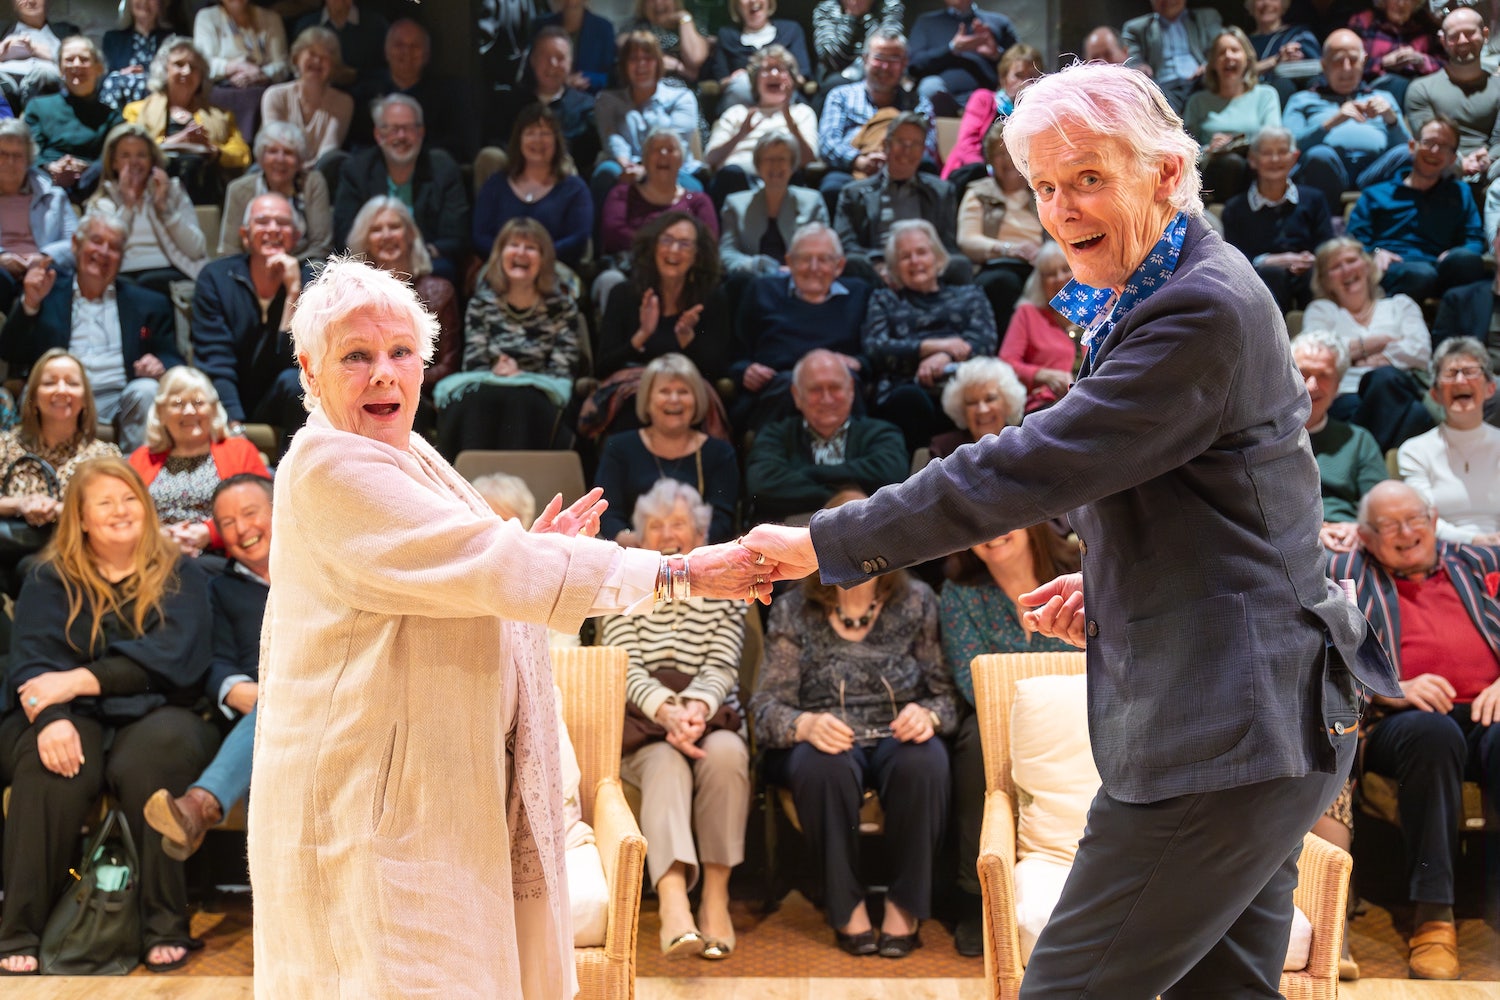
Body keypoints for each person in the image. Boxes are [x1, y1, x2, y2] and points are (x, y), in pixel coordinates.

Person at [743, 62, 1402, 997]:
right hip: (1252, 716)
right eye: (1045, 186)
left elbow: (1030, 465)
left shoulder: (1199, 306)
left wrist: (825, 541)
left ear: (1167, 172)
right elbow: (1227, 497)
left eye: (1089, 178)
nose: (1061, 209)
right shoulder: (1158, 282)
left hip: (1228, 727)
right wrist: (1110, 580)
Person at [246, 255, 765, 999]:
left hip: (420, 791)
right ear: (310, 368)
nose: (384, 374)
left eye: (399, 353)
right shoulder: (329, 464)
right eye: (355, 357)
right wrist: (679, 573)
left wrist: (536, 550)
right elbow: (489, 564)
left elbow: (470, 569)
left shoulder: (405, 452)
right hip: (364, 804)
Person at [0, 456, 216, 975]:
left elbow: (178, 657)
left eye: (128, 500)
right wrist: (51, 716)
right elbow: (31, 660)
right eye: (105, 503)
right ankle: (22, 927)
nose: (120, 511)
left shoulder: (181, 571)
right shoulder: (48, 576)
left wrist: (79, 678)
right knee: (51, 765)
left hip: (165, 706)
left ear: (144, 507)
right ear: (81, 517)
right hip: (71, 712)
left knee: (152, 761)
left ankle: (163, 924)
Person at [750, 487, 957, 957]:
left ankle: (906, 906)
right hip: (823, 740)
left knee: (924, 761)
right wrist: (804, 725)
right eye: (845, 532)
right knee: (823, 765)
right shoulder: (792, 608)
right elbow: (765, 708)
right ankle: (846, 907)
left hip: (895, 734)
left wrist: (925, 714)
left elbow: (946, 697)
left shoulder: (918, 601)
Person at [1326, 479, 1500, 981]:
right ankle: (1434, 920)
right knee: (1433, 734)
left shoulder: (1474, 562)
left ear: (1435, 520)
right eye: (1387, 526)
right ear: (1365, 535)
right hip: (1398, 722)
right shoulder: (1346, 568)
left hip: (1487, 714)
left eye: (1415, 519)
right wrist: (1389, 686)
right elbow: (1318, 640)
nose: (1406, 533)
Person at [600, 479, 749, 957]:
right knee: (664, 764)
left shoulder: (727, 590)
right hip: (643, 719)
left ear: (699, 535)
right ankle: (671, 902)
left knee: (726, 758)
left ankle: (716, 899)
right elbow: (623, 667)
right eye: (655, 526)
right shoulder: (624, 589)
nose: (666, 534)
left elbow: (723, 665)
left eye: (678, 523)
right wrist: (667, 711)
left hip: (710, 713)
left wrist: (695, 711)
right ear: (641, 539)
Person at [939, 521, 1079, 956]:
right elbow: (970, 678)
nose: (991, 534)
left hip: (1078, 708)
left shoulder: (1079, 569)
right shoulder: (960, 593)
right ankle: (974, 897)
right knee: (973, 748)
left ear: (1033, 520)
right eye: (976, 527)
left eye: (1002, 521)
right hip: (997, 718)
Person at [143, 472, 272, 861]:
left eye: (250, 513)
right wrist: (233, 688)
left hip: (336, 696)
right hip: (265, 713)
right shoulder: (217, 587)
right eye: (228, 523)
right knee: (272, 740)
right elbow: (214, 657)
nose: (242, 529)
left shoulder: (324, 570)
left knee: (278, 711)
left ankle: (200, 806)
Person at [0, 207, 177, 452]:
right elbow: (11, 352)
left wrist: (159, 365)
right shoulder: (46, 292)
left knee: (147, 390)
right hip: (62, 391)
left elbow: (172, 357)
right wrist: (29, 304)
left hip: (119, 399)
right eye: (96, 241)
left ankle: (134, 478)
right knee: (36, 386)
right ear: (76, 244)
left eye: (114, 247)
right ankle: (40, 471)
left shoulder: (148, 304)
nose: (104, 252)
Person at [433, 218, 584, 456]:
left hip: (540, 391)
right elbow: (474, 363)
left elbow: (562, 369)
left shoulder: (562, 307)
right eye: (513, 245)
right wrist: (498, 369)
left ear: (544, 259)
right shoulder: (482, 302)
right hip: (490, 381)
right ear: (500, 254)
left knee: (520, 401)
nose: (521, 253)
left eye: (531, 248)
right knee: (476, 400)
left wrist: (520, 375)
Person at [862, 219, 997, 453]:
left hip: (963, 385)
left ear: (936, 256)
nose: (915, 261)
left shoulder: (970, 295)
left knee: (983, 395)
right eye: (905, 256)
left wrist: (944, 357)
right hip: (906, 390)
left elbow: (985, 342)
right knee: (910, 400)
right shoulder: (883, 300)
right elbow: (876, 348)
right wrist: (932, 346)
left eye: (921, 252)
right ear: (895, 266)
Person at [0, 350, 120, 595]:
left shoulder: (105, 456)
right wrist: (20, 504)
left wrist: (55, 509)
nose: (61, 390)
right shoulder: (5, 445)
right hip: (7, 549)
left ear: (85, 398)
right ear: (33, 396)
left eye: (72, 383)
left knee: (36, 571)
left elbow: (116, 514)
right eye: (49, 382)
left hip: (77, 559)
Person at [191, 192, 312, 434]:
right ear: (245, 236)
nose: (273, 229)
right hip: (232, 400)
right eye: (263, 221)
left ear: (296, 238)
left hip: (289, 400)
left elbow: (301, 364)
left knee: (296, 382)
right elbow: (216, 361)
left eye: (283, 223)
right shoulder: (215, 279)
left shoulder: (313, 283)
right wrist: (234, 425)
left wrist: (293, 294)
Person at [732, 222, 870, 431]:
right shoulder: (762, 290)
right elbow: (734, 351)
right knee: (792, 387)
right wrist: (746, 370)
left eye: (823, 259)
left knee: (839, 385)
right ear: (789, 261)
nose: (813, 268)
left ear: (839, 266)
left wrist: (858, 363)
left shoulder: (860, 294)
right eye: (805, 259)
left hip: (838, 384)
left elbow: (874, 354)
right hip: (778, 385)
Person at [744, 348, 907, 522]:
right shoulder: (774, 435)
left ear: (851, 389)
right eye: (816, 390)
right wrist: (846, 498)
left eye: (835, 387)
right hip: (793, 537)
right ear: (797, 395)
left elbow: (891, 475)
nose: (827, 399)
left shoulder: (883, 433)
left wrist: (809, 475)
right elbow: (762, 485)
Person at [1303, 235, 1433, 451]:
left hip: (1397, 388)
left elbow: (1420, 351)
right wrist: (1381, 342)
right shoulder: (1322, 311)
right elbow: (1317, 354)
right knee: (1416, 414)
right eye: (1336, 266)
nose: (1346, 270)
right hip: (1345, 398)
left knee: (1384, 378)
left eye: (1351, 261)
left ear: (1367, 265)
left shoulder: (1400, 305)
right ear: (1325, 280)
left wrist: (1353, 354)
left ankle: (1355, 458)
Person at [594, 353, 737, 545]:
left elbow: (723, 520)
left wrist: (684, 545)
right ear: (648, 399)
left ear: (697, 399)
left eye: (683, 391)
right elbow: (608, 513)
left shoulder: (720, 452)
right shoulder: (618, 447)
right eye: (664, 391)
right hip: (634, 556)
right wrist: (640, 542)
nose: (674, 399)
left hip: (697, 556)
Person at [126, 366, 270, 558]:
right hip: (154, 559)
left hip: (222, 562)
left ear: (213, 409)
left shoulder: (240, 451)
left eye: (198, 402)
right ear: (161, 412)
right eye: (177, 403)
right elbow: (126, 516)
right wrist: (158, 537)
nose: (188, 411)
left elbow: (264, 510)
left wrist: (209, 533)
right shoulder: (141, 458)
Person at [1347, 114, 1486, 303]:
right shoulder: (1376, 193)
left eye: (1444, 146)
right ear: (1412, 146)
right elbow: (1353, 240)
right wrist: (1375, 252)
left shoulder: (1459, 193)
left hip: (1440, 268)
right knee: (1421, 275)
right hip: (1393, 268)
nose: (1435, 151)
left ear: (1452, 158)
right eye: (1428, 142)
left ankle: (1452, 331)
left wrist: (1453, 254)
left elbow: (1475, 240)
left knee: (1467, 261)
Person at [331, 93, 467, 282]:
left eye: (409, 129)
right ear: (379, 135)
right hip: (370, 263)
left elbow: (456, 236)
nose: (401, 136)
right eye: (394, 129)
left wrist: (413, 254)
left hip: (426, 263)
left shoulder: (443, 168)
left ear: (421, 133)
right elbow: (345, 234)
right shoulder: (357, 170)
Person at [1282, 27, 1411, 210]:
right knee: (1319, 155)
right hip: (1326, 172)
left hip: (1374, 173)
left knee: (1407, 154)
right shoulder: (1302, 100)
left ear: (1363, 61)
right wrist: (1331, 123)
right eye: (1337, 61)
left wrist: (1391, 120)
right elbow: (1288, 148)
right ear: (1324, 64)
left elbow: (1409, 147)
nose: (1346, 68)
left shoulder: (1384, 98)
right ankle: (1325, 224)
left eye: (1352, 60)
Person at [596, 212, 729, 387]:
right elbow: (602, 369)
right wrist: (641, 336)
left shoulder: (710, 299)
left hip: (685, 394)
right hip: (633, 393)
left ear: (697, 255)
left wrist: (687, 342)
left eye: (684, 244)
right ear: (653, 247)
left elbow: (718, 374)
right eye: (666, 240)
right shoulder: (624, 294)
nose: (674, 250)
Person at [834, 112, 966, 287]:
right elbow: (847, 245)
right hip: (877, 265)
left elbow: (947, 244)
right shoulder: (854, 193)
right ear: (886, 145)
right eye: (900, 142)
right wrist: (879, 267)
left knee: (960, 265)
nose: (907, 151)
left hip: (925, 263)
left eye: (915, 144)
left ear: (923, 150)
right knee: (852, 262)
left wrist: (927, 266)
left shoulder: (941, 191)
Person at [347, 195, 460, 397]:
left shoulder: (440, 291)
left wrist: (399, 381)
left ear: (410, 235)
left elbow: (449, 365)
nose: (386, 235)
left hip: (421, 396)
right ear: (364, 241)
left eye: (394, 227)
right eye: (376, 230)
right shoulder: (352, 296)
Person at [815, 28, 935, 216]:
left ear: (905, 63)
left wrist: (893, 161)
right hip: (852, 167)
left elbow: (928, 146)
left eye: (894, 60)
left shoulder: (919, 103)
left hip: (905, 169)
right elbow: (828, 142)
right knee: (831, 188)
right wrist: (859, 161)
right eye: (879, 58)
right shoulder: (841, 96)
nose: (885, 67)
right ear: (865, 60)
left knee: (932, 184)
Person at [121, 36, 251, 205]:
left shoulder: (222, 115)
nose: (187, 71)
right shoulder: (135, 111)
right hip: (151, 192)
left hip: (206, 191)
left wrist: (214, 150)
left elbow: (243, 155)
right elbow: (128, 152)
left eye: (194, 67)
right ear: (164, 69)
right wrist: (177, 140)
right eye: (179, 64)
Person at [1396, 337, 1500, 544]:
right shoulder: (1415, 450)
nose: (1461, 381)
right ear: (1435, 394)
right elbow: (1421, 518)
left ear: (1490, 388)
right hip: (1441, 551)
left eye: (1470, 372)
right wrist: (1475, 540)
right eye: (1451, 374)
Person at [1291, 329, 1387, 553]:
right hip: (1288, 543)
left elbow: (1380, 509)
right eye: (1303, 373)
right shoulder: (1263, 437)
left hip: (1349, 544)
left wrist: (1360, 529)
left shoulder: (1358, 440)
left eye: (1324, 375)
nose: (1312, 386)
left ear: (1338, 386)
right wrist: (1315, 530)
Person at [1220, 124, 1334, 311]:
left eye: (1282, 152)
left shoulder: (1314, 199)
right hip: (1261, 280)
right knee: (1271, 274)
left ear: (1294, 157)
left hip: (1306, 272)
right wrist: (1270, 260)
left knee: (1315, 275)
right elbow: (1235, 258)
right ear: (1252, 159)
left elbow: (1326, 245)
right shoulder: (1235, 209)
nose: (1275, 159)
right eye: (1266, 153)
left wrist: (1308, 259)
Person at [88, 121, 207, 293]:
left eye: (141, 155)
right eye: (125, 156)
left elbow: (196, 249)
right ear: (113, 163)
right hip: (123, 274)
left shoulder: (172, 191)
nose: (134, 162)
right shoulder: (102, 202)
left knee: (150, 284)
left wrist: (165, 210)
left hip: (170, 271)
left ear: (152, 161)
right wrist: (128, 207)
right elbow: (101, 254)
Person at [592, 30, 705, 205]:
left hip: (673, 166)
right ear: (624, 65)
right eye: (633, 59)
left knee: (693, 186)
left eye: (648, 58)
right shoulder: (607, 101)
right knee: (606, 173)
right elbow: (611, 137)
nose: (641, 65)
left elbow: (676, 144)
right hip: (625, 164)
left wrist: (645, 171)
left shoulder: (682, 98)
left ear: (658, 63)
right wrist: (626, 165)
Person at [473, 104, 591, 269]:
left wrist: (535, 258)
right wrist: (511, 257)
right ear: (518, 140)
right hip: (500, 267)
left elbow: (578, 238)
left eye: (545, 133)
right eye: (530, 133)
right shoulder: (496, 185)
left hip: (554, 268)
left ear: (556, 141)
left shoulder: (575, 189)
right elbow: (480, 235)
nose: (538, 140)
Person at [702, 44, 817, 208]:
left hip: (783, 180)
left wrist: (788, 118)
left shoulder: (801, 113)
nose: (774, 74)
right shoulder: (737, 113)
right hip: (738, 181)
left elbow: (808, 160)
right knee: (730, 174)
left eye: (780, 69)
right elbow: (710, 159)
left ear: (791, 79)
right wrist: (741, 134)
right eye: (767, 70)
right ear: (755, 80)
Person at [958, 118, 1043, 334]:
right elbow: (967, 240)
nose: (1007, 160)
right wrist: (1010, 249)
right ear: (989, 160)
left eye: (1013, 153)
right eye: (999, 153)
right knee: (1004, 282)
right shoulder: (979, 192)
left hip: (1041, 265)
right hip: (998, 265)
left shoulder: (1041, 191)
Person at [1402, 6, 1499, 186]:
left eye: (1469, 33)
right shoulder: (1421, 88)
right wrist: (1459, 163)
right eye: (1454, 36)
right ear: (1444, 41)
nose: (1462, 40)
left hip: (1491, 168)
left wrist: (1488, 158)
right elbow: (1428, 139)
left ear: (1485, 35)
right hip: (1440, 164)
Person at [480, 27, 598, 175]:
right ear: (533, 60)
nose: (553, 63)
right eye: (545, 56)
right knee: (490, 156)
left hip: (562, 179)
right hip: (515, 176)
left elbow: (588, 155)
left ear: (570, 63)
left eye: (560, 57)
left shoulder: (586, 106)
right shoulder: (510, 103)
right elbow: (497, 141)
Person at [1184, 26, 1282, 203]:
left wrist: (1236, 142)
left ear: (1247, 59)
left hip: (1256, 167)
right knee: (1230, 163)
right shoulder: (1197, 101)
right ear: (1213, 63)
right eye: (1222, 52)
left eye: (1235, 50)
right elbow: (1185, 149)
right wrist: (1209, 148)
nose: (1229, 56)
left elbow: (1272, 138)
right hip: (1214, 170)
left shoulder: (1266, 95)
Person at [217, 119, 333, 262]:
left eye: (288, 152)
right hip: (251, 269)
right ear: (260, 159)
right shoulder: (238, 189)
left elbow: (321, 245)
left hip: (301, 264)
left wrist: (284, 267)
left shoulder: (313, 183)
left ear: (299, 161)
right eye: (272, 151)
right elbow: (230, 249)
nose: (280, 159)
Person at [718, 129, 828, 278]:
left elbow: (824, 249)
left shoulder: (813, 201)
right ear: (758, 165)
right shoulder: (735, 204)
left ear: (792, 165)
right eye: (769, 159)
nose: (775, 166)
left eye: (782, 159)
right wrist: (755, 265)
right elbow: (727, 253)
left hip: (800, 280)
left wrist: (796, 269)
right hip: (752, 282)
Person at [23, 35, 120, 199]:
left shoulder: (112, 117)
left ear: (98, 68)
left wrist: (88, 169)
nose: (76, 65)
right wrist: (50, 167)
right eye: (69, 59)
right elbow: (30, 152)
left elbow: (113, 157)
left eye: (84, 59)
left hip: (94, 188)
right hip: (43, 185)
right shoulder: (38, 107)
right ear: (60, 68)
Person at [0, 115, 74, 314]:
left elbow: (75, 242)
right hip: (2, 272)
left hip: (43, 269)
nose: (9, 161)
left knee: (54, 277)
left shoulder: (53, 195)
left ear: (29, 159)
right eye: (2, 154)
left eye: (18, 155)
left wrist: (43, 257)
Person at [939, 42, 1041, 183]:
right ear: (1004, 79)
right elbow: (967, 143)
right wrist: (993, 177)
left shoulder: (1040, 114)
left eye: (1033, 76)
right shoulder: (984, 99)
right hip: (977, 177)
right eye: (1018, 75)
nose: (1026, 82)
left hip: (1019, 182)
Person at [998, 241, 1081, 414]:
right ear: (1040, 281)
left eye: (1065, 269)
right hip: (1045, 406)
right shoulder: (1028, 313)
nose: (1059, 277)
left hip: (1091, 402)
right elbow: (1006, 363)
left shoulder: (1095, 313)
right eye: (1050, 274)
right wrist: (1043, 375)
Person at [259, 26, 352, 171]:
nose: (317, 61)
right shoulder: (274, 95)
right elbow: (274, 143)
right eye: (312, 53)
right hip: (277, 167)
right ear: (296, 58)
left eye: (325, 57)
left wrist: (306, 172)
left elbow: (329, 150)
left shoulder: (343, 102)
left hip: (320, 173)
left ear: (333, 66)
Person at [905, 0, 1018, 117]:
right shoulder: (926, 23)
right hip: (942, 104)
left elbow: (1021, 65)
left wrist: (996, 54)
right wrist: (951, 49)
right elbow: (913, 66)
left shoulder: (997, 23)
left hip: (990, 101)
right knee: (930, 86)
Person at [704, 0, 811, 116]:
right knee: (742, 83)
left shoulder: (791, 30)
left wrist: (774, 76)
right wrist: (739, 78)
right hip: (740, 106)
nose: (753, 1)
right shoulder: (726, 35)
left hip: (783, 106)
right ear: (736, 5)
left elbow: (801, 77)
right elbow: (721, 82)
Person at [1122, 0, 1225, 114]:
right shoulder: (1136, 28)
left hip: (1200, 80)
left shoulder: (1206, 17)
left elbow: (1220, 47)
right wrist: (1139, 66)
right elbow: (1131, 59)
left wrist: (1207, 65)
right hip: (1163, 86)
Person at [1347, 0, 1441, 108]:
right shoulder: (1365, 20)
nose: (1401, 4)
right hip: (1371, 95)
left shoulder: (1426, 26)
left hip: (1417, 97)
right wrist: (1382, 63)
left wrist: (1422, 61)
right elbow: (1349, 64)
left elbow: (1448, 67)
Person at [928, 355, 1024, 459]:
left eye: (990, 399)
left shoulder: (1024, 444)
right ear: (961, 410)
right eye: (971, 402)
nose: (982, 410)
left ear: (1008, 402)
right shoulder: (943, 449)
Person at [294, 0, 388, 96]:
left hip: (364, 98)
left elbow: (386, 70)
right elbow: (296, 67)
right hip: (316, 95)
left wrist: (358, 75)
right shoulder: (306, 25)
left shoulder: (376, 25)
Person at [0, 0, 76, 112]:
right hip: (5, 82)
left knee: (43, 73)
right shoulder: (2, 28)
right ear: (14, 4)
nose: (30, 1)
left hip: (47, 82)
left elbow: (76, 60)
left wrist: (33, 49)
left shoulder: (66, 31)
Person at [811, 0, 905, 86]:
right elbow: (831, 59)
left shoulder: (890, 6)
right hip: (838, 74)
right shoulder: (826, 9)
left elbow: (888, 47)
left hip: (879, 69)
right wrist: (851, 18)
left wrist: (866, 17)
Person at [99, 0, 171, 111]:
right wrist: (122, 73)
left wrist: (147, 75)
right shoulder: (113, 39)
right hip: (120, 102)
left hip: (159, 103)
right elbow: (104, 76)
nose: (144, 2)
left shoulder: (172, 39)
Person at [532, 0, 614, 94]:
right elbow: (531, 69)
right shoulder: (540, 25)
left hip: (590, 99)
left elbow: (611, 76)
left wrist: (585, 78)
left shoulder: (604, 28)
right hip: (547, 98)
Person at [623, 0, 710, 86]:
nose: (658, 2)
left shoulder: (691, 24)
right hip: (645, 91)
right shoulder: (634, 26)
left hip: (684, 92)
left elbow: (695, 58)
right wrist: (678, 66)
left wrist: (683, 18)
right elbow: (627, 51)